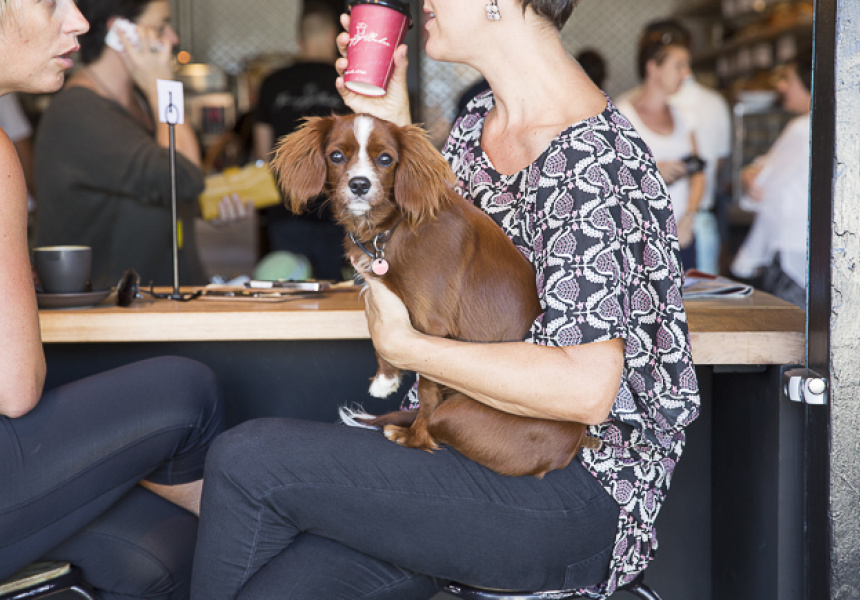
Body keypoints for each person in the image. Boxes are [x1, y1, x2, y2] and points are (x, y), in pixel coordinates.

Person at [191, 1, 700, 598]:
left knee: (246, 458)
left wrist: (407, 348)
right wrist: (393, 130)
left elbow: (585, 391)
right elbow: (437, 246)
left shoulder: (592, 160)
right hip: (458, 453)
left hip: (570, 491)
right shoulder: (479, 122)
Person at [0, 0, 224, 598]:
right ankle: (284, 528)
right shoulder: (64, 119)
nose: (76, 19)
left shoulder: (121, 110)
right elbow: (15, 387)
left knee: (164, 550)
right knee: (187, 387)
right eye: (50, 1)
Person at [32, 0, 211, 289]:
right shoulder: (78, 113)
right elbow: (183, 176)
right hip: (107, 309)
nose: (173, 38)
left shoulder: (138, 102)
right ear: (120, 33)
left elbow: (167, 190)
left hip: (148, 302)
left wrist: (211, 208)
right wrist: (162, 87)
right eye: (161, 27)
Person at [253, 0, 349, 281]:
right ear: (333, 37)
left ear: (299, 40)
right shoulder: (346, 84)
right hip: (338, 211)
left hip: (286, 210)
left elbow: (264, 155)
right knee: (338, 290)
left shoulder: (272, 83)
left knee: (288, 289)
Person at [616, 23, 705, 270]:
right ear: (653, 67)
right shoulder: (623, 116)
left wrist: (689, 217)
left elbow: (699, 172)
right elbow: (611, 178)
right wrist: (650, 173)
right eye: (679, 66)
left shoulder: (684, 116)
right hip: (639, 239)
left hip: (683, 235)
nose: (687, 73)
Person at [730, 51, 812, 309]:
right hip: (814, 251)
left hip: (791, 253)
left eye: (789, 79)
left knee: (790, 328)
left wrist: (750, 173)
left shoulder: (803, 128)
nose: (781, 86)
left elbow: (760, 187)